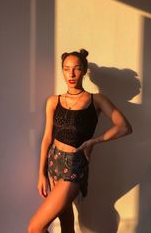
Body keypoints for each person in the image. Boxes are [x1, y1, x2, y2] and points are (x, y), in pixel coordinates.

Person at [28, 49, 132, 233]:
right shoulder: (54, 101)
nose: (71, 73)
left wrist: (93, 141)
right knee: (67, 224)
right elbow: (47, 138)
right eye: (67, 69)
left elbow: (124, 126)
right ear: (62, 71)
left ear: (84, 70)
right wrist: (41, 174)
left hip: (74, 165)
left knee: (35, 228)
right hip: (53, 163)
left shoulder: (96, 100)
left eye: (76, 68)